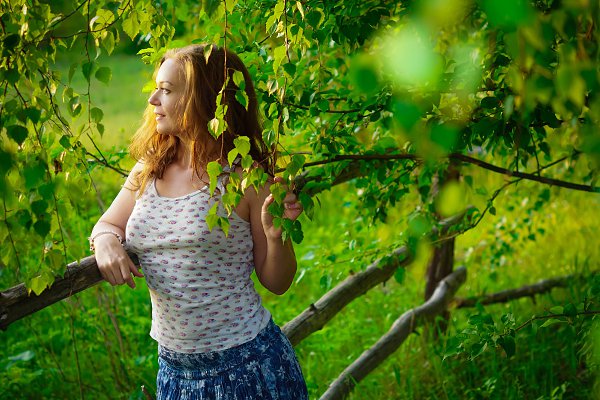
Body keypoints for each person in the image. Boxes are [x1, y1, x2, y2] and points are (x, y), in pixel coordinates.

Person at [89, 44, 309, 399]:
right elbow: (107, 224)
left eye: (166, 90)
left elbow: (277, 282)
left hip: (246, 368)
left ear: (204, 99)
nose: (153, 100)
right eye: (156, 89)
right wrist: (105, 242)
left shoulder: (245, 178)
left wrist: (275, 235)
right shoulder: (150, 168)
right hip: (174, 373)